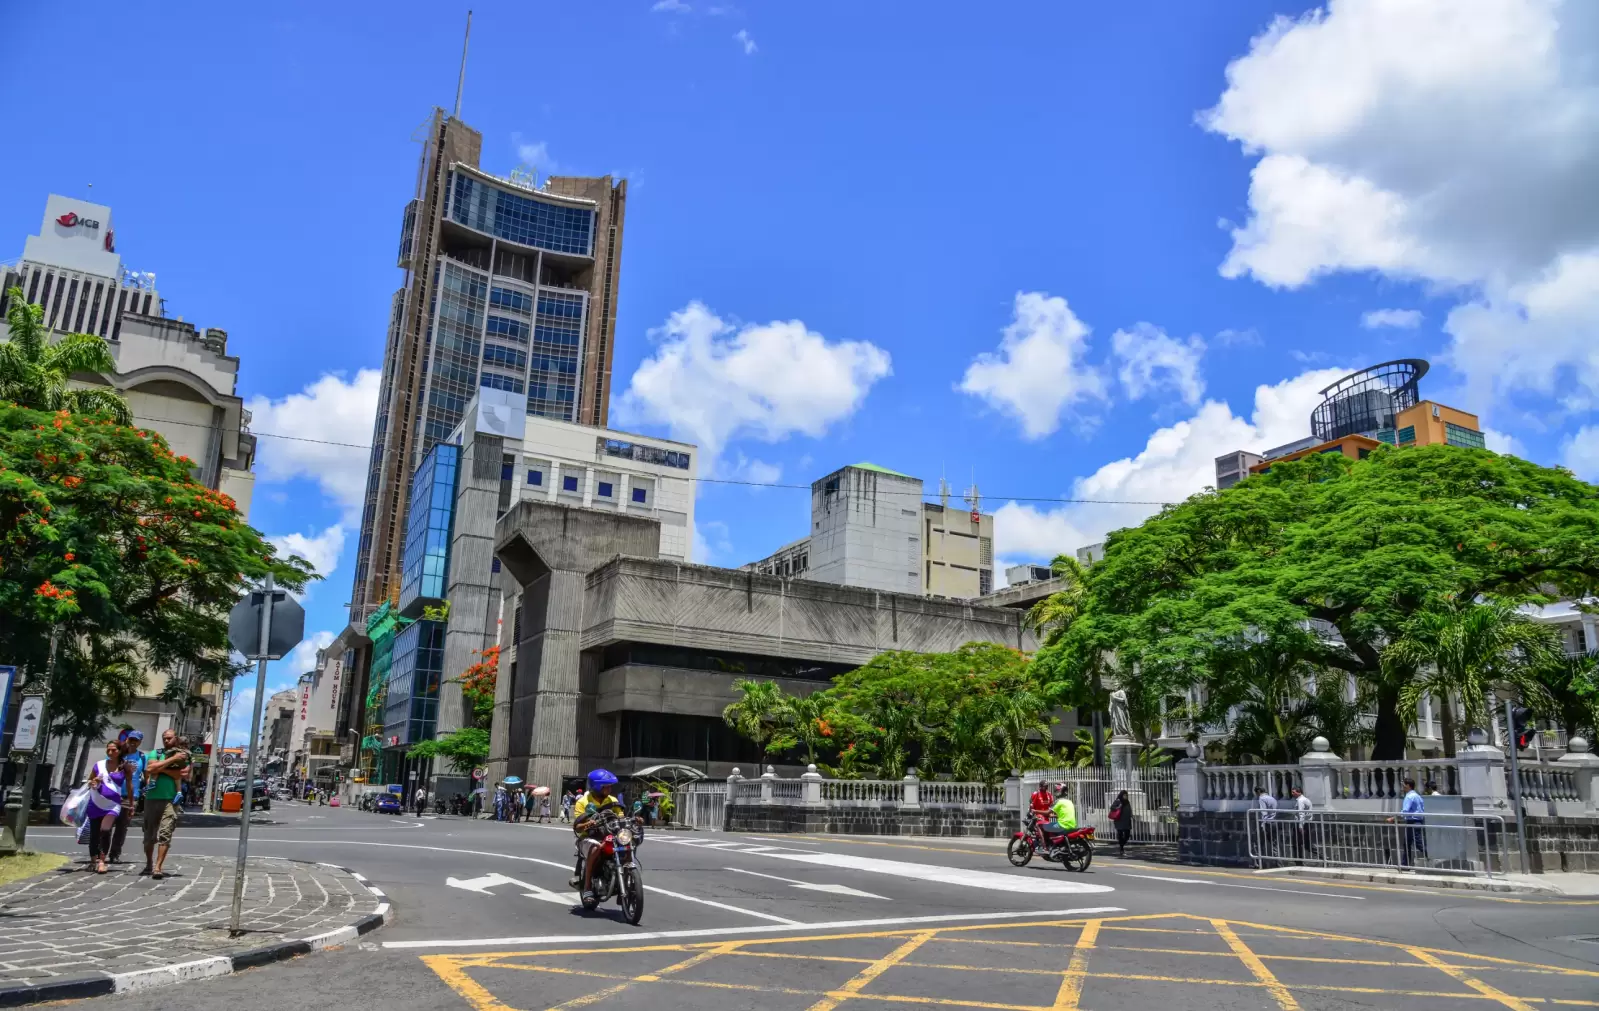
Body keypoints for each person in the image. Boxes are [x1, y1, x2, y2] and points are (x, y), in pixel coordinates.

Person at [569, 769, 627, 898]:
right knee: (595, 848)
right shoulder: (583, 802)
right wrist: (588, 824)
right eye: (607, 786)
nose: (610, 789)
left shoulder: (613, 800)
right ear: (597, 786)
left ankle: (626, 879)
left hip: (610, 836)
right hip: (588, 838)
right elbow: (578, 827)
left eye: (610, 786)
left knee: (627, 844)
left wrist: (634, 821)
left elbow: (621, 817)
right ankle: (587, 887)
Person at [142, 729, 190, 880]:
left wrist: (160, 768)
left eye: (169, 738)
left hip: (170, 800)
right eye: (164, 738)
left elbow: (181, 774)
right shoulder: (155, 753)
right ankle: (149, 863)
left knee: (165, 833)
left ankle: (158, 867)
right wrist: (171, 761)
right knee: (149, 836)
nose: (166, 741)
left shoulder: (181, 754)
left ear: (175, 738)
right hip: (151, 798)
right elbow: (150, 769)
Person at [85, 740, 131, 874]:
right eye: (108, 749)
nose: (110, 752)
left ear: (120, 751)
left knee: (105, 831)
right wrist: (93, 782)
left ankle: (102, 861)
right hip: (96, 802)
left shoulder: (125, 767)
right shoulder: (99, 765)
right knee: (94, 833)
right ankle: (93, 860)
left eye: (113, 750)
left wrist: (131, 803)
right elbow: (89, 781)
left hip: (113, 804)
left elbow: (130, 785)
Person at [108, 730, 146, 864]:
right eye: (131, 739)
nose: (133, 743)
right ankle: (102, 852)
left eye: (136, 740)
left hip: (130, 796)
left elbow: (147, 775)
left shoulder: (142, 757)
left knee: (122, 827)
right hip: (112, 794)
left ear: (140, 742)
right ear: (126, 739)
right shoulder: (119, 754)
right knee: (107, 825)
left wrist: (146, 790)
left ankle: (114, 854)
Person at [1042, 783, 1077, 856]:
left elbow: (1047, 812)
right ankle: (1057, 844)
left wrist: (1035, 811)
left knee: (1044, 827)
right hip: (1072, 825)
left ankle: (1046, 848)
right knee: (1052, 827)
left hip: (1062, 826)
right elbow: (1063, 814)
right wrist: (1054, 816)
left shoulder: (1058, 802)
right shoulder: (1070, 802)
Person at [1400, 777, 1426, 866]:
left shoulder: (1409, 796)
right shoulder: (1418, 796)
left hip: (1412, 821)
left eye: (1403, 785)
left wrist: (1394, 817)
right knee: (1407, 843)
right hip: (1418, 821)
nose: (1402, 787)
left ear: (1408, 785)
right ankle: (1405, 864)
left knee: (1418, 844)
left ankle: (1433, 856)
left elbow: (1405, 811)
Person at [1290, 786, 1314, 860]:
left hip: (1302, 824)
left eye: (1294, 792)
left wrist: (1300, 826)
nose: (1292, 794)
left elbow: (1301, 814)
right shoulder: (1305, 799)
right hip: (1306, 823)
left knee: (1297, 843)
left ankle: (1298, 860)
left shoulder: (1300, 801)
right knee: (1306, 844)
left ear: (1299, 792)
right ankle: (1324, 857)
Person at [1108, 789, 1133, 857]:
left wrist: (1131, 815)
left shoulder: (1127, 801)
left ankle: (1121, 845)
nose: (1125, 796)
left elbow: (1129, 808)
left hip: (1127, 821)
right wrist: (1118, 807)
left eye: (1126, 795)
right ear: (1121, 795)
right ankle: (1121, 848)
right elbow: (1112, 807)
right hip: (1119, 821)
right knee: (1120, 835)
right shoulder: (1118, 801)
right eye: (1124, 795)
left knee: (1127, 835)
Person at [1256, 785, 1280, 858]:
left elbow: (1264, 812)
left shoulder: (1262, 798)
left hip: (1266, 823)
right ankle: (1278, 860)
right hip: (1273, 821)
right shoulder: (1272, 798)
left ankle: (1259, 861)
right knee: (1274, 843)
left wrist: (1262, 824)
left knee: (1258, 843)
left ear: (1258, 792)